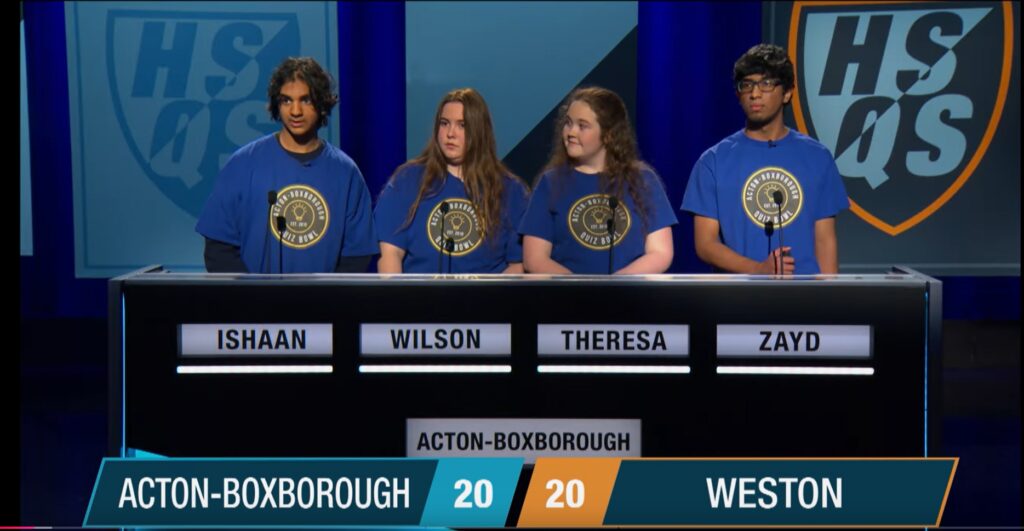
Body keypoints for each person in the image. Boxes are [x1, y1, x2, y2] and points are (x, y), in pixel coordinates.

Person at [196, 56, 377, 273]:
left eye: (306, 100)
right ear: (276, 104)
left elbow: (356, 256)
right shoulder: (242, 164)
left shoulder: (346, 173)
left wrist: (329, 301)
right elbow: (218, 250)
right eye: (286, 100)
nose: (295, 111)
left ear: (321, 104)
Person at [680, 43, 849, 275]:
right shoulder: (713, 162)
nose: (755, 93)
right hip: (738, 302)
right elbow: (706, 245)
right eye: (747, 85)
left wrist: (832, 302)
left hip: (805, 300)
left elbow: (825, 241)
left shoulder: (818, 158)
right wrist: (758, 269)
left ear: (787, 93)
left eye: (766, 84)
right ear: (738, 94)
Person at [519, 87, 676, 274]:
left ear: (609, 135)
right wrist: (580, 289)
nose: (571, 132)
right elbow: (534, 258)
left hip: (629, 298)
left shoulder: (643, 180)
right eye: (568, 123)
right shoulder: (550, 183)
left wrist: (617, 284)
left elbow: (660, 253)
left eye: (582, 125)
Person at [374, 88, 529, 274]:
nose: (450, 133)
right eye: (444, 123)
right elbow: (390, 254)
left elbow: (518, 265)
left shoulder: (510, 191)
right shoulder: (407, 180)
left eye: (462, 125)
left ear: (480, 132)